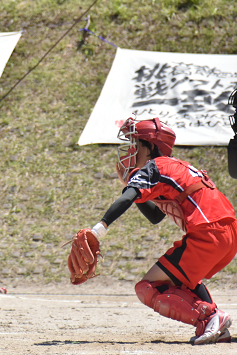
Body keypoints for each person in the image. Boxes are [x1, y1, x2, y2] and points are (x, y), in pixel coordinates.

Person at [78, 116, 237, 345]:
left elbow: (128, 198)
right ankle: (214, 323)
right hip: (227, 231)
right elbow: (155, 216)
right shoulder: (172, 166)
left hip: (208, 231)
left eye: (136, 144)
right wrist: (131, 185)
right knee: (183, 282)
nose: (131, 150)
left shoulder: (155, 166)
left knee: (147, 288)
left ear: (151, 146)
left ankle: (211, 317)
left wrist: (99, 229)